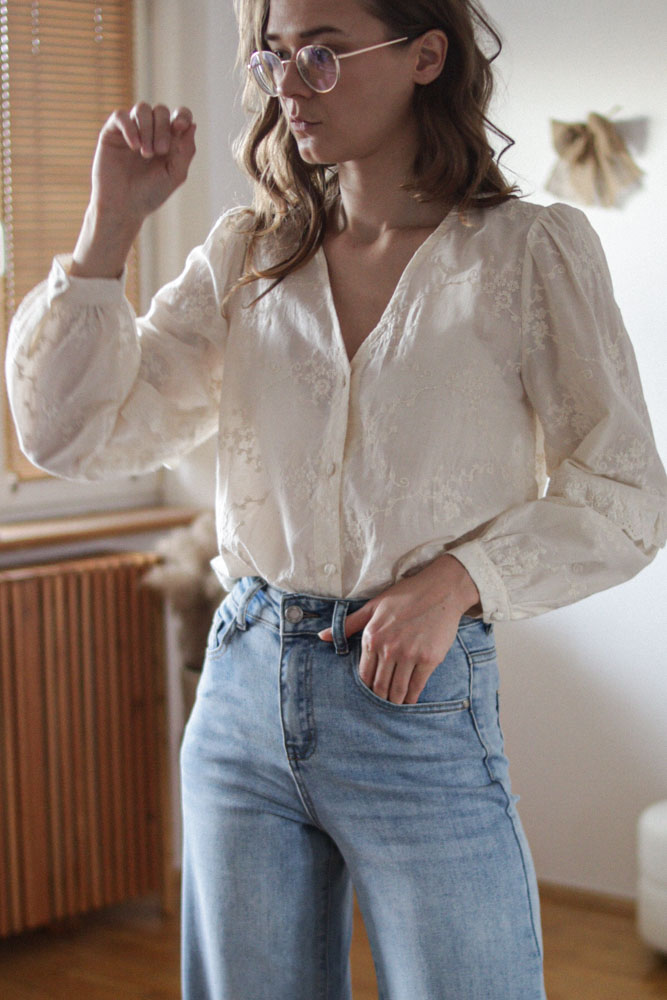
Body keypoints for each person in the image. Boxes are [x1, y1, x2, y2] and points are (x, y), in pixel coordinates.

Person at [5, 0, 667, 997]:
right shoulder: (247, 254)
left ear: (425, 56)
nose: (289, 86)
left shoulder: (528, 252)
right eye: (273, 57)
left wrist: (458, 580)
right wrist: (112, 225)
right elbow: (72, 434)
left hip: (415, 701)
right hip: (241, 695)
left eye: (321, 54)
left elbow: (624, 491)